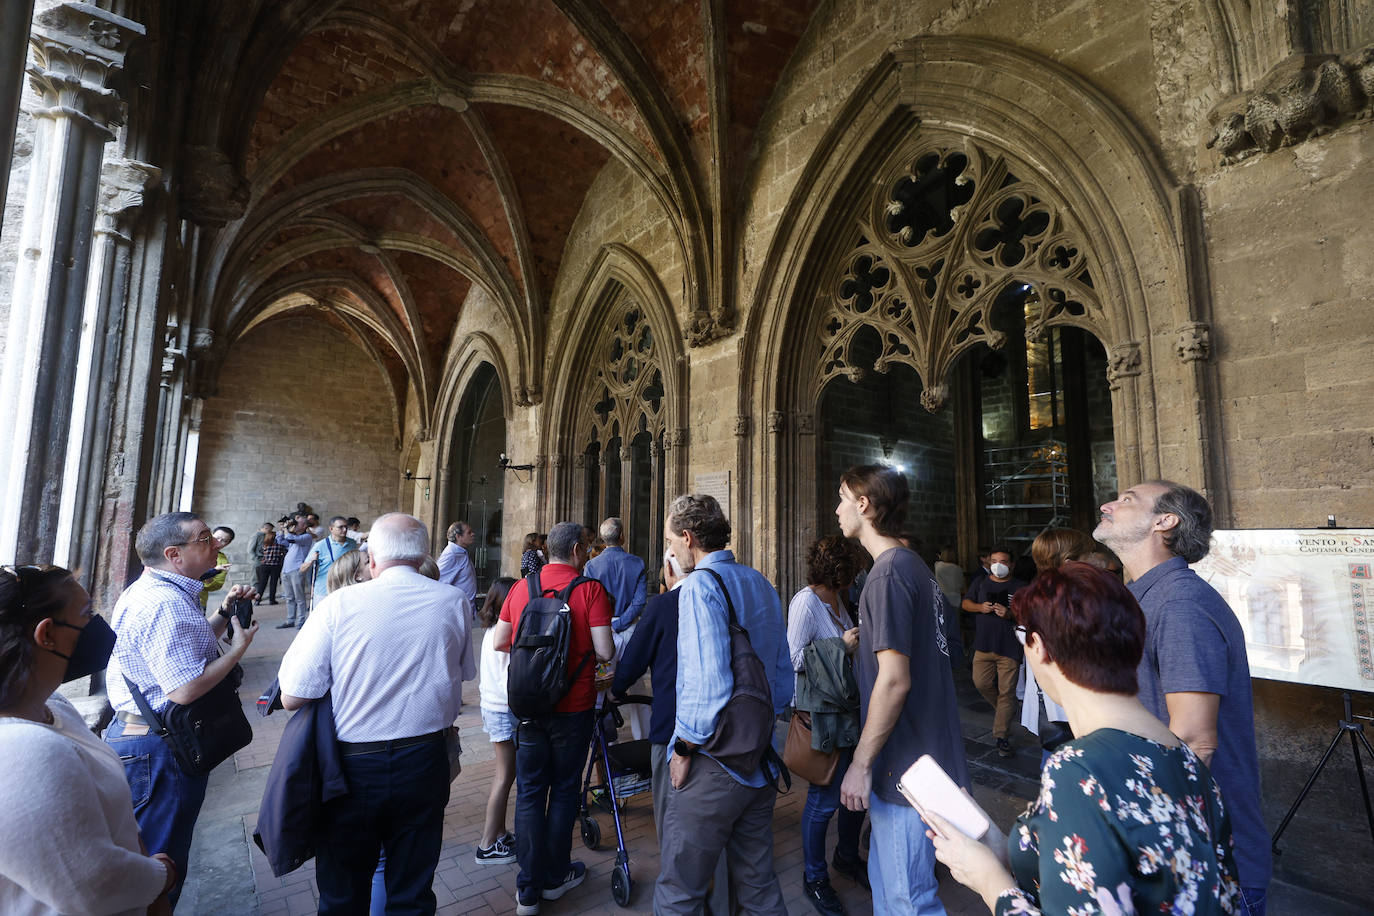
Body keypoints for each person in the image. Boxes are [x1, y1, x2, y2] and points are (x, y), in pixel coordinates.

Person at [926, 562, 1242, 916]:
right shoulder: (1183, 755)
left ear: (1040, 648)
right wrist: (998, 846)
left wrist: (987, 881)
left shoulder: (1079, 768)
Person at [277, 513, 475, 914]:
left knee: (342, 892)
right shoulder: (452, 600)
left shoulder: (339, 604)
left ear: (370, 557)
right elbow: (464, 673)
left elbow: (293, 694)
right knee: (413, 888)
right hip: (425, 758)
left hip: (352, 766)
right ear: (422, 556)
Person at [1094, 480, 1271, 914]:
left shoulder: (1180, 604)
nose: (1108, 504)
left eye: (1127, 499)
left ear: (1164, 521)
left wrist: (1146, 840)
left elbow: (1195, 739)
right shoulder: (1143, 597)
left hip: (1206, 864)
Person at [0, 564, 177, 915]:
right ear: (46, 633)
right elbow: (92, 884)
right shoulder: (20, 751)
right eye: (86, 614)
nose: (97, 625)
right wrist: (162, 877)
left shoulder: (53, 704)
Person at [104, 512, 260, 906]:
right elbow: (185, 687)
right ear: (174, 554)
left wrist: (224, 613)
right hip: (157, 747)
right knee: (161, 865)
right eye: (204, 538)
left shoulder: (165, 592)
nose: (214, 544)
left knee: (160, 857)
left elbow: (185, 652)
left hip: (150, 736)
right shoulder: (163, 605)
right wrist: (239, 648)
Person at [836, 465, 967, 915]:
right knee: (893, 890)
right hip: (925, 757)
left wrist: (860, 762)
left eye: (841, 498)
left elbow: (895, 678)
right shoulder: (913, 567)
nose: (836, 509)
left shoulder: (889, 575)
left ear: (864, 505)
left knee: (907, 899)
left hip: (907, 766)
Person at [654, 493, 793, 915]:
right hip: (760, 757)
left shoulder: (699, 586)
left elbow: (707, 685)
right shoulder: (760, 582)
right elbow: (783, 680)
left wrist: (682, 749)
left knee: (679, 890)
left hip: (714, 763)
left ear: (688, 537)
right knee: (758, 885)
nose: (670, 551)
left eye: (670, 541)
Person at [492, 521, 614, 915]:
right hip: (573, 707)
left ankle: (526, 889)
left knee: (529, 791)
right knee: (563, 789)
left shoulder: (521, 588)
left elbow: (499, 641)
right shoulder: (589, 590)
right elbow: (605, 650)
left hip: (529, 707)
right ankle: (555, 876)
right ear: (578, 550)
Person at [787, 536, 866, 916]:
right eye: (850, 572)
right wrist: (841, 648)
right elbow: (793, 658)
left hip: (848, 711)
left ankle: (847, 857)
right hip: (823, 718)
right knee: (823, 801)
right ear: (838, 571)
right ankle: (814, 877)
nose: (853, 579)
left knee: (854, 796)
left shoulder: (839, 600)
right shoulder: (806, 602)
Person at [584, 516, 649, 735]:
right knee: (636, 682)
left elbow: (588, 600)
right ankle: (642, 735)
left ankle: (605, 737)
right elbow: (639, 602)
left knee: (602, 683)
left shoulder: (591, 565)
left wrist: (608, 624)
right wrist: (620, 623)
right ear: (622, 536)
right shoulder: (637, 563)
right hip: (628, 628)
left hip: (601, 630)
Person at [961, 547, 1027, 759]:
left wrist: (1009, 614)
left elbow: (1028, 615)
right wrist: (981, 608)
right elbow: (966, 604)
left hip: (1009, 647)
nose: (999, 565)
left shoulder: (1020, 587)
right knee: (981, 683)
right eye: (995, 561)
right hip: (983, 645)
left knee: (1007, 692)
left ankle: (1001, 736)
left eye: (1004, 561)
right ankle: (1005, 712)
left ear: (1012, 565)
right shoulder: (980, 583)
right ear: (989, 562)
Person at [475, 577, 519, 865]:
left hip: (493, 706)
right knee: (504, 776)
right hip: (502, 708)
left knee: (507, 774)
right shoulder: (506, 632)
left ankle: (499, 833)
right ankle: (487, 843)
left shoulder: (490, 630)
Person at [300, 516, 359, 603]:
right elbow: (302, 569)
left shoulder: (352, 543)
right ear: (331, 529)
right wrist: (311, 560)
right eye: (340, 527)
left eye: (346, 527)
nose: (344, 529)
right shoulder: (320, 545)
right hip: (324, 591)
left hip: (345, 589)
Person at [277, 513, 314, 628]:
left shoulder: (306, 537)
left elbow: (290, 538)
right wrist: (282, 529)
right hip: (286, 570)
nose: (295, 525)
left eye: (298, 523)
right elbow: (280, 541)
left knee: (299, 597)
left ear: (304, 526)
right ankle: (290, 620)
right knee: (289, 597)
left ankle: (301, 621)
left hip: (297, 569)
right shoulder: (294, 537)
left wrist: (287, 530)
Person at [438, 520, 478, 606]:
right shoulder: (451, 554)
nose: (472, 534)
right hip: (457, 608)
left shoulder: (461, 552)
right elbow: (439, 582)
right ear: (458, 536)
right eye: (469, 532)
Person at [197, 525, 234, 609]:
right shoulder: (194, 548)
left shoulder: (223, 561)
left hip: (199, 600)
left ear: (228, 543)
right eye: (217, 538)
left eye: (223, 540)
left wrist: (208, 579)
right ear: (211, 535)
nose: (218, 542)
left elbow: (217, 585)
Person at [255, 527, 286, 606]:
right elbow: (283, 552)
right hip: (275, 565)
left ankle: (257, 600)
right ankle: (272, 600)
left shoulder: (264, 544)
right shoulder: (280, 545)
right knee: (273, 583)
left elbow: (261, 552)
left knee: (262, 583)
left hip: (264, 565)